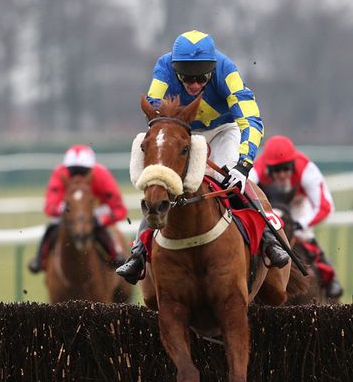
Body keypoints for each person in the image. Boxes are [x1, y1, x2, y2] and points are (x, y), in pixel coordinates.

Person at [116, 29, 290, 284]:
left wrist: (243, 165)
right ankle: (139, 252)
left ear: (212, 68)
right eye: (187, 77)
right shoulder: (163, 67)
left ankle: (268, 239)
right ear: (176, 69)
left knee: (230, 181)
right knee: (161, 183)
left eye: (201, 77)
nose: (195, 83)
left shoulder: (226, 70)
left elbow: (251, 120)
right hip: (183, 130)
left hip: (224, 131)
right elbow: (153, 107)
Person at [249, 135, 343, 299]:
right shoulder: (256, 170)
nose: (282, 174)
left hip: (298, 207)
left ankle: (329, 278)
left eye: (286, 168)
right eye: (276, 170)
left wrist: (301, 224)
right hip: (269, 206)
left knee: (304, 236)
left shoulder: (307, 169)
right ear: (267, 167)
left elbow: (325, 206)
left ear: (293, 164)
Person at [27, 144, 128, 273]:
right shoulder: (59, 174)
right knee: (51, 228)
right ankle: (40, 260)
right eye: (73, 171)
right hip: (69, 213)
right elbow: (49, 207)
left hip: (97, 211)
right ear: (66, 169)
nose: (78, 177)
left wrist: (101, 219)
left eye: (83, 172)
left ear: (91, 169)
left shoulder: (102, 175)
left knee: (103, 229)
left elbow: (119, 209)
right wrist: (68, 211)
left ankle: (117, 257)